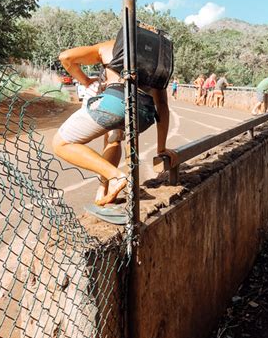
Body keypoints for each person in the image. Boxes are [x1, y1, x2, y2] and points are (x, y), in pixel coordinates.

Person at [52, 23, 178, 206]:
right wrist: (161, 148)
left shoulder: (113, 45)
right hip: (143, 114)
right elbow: (163, 105)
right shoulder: (158, 58)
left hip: (114, 104)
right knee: (113, 138)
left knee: (61, 143)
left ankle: (116, 177)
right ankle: (103, 189)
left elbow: (66, 58)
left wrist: (86, 80)